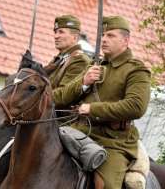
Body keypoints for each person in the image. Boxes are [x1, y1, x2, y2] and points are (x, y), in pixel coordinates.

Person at [53, 16, 151, 189]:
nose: (104, 39)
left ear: (125, 40)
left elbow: (136, 106)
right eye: (103, 35)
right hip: (77, 132)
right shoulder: (92, 65)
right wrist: (84, 82)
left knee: (105, 186)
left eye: (110, 35)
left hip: (112, 141)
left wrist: (92, 109)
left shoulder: (136, 70)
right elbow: (60, 97)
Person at [44, 15, 91, 103]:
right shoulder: (58, 59)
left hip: (59, 114)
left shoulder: (79, 60)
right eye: (55, 32)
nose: (56, 36)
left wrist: (36, 99)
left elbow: (65, 94)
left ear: (75, 37)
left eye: (61, 32)